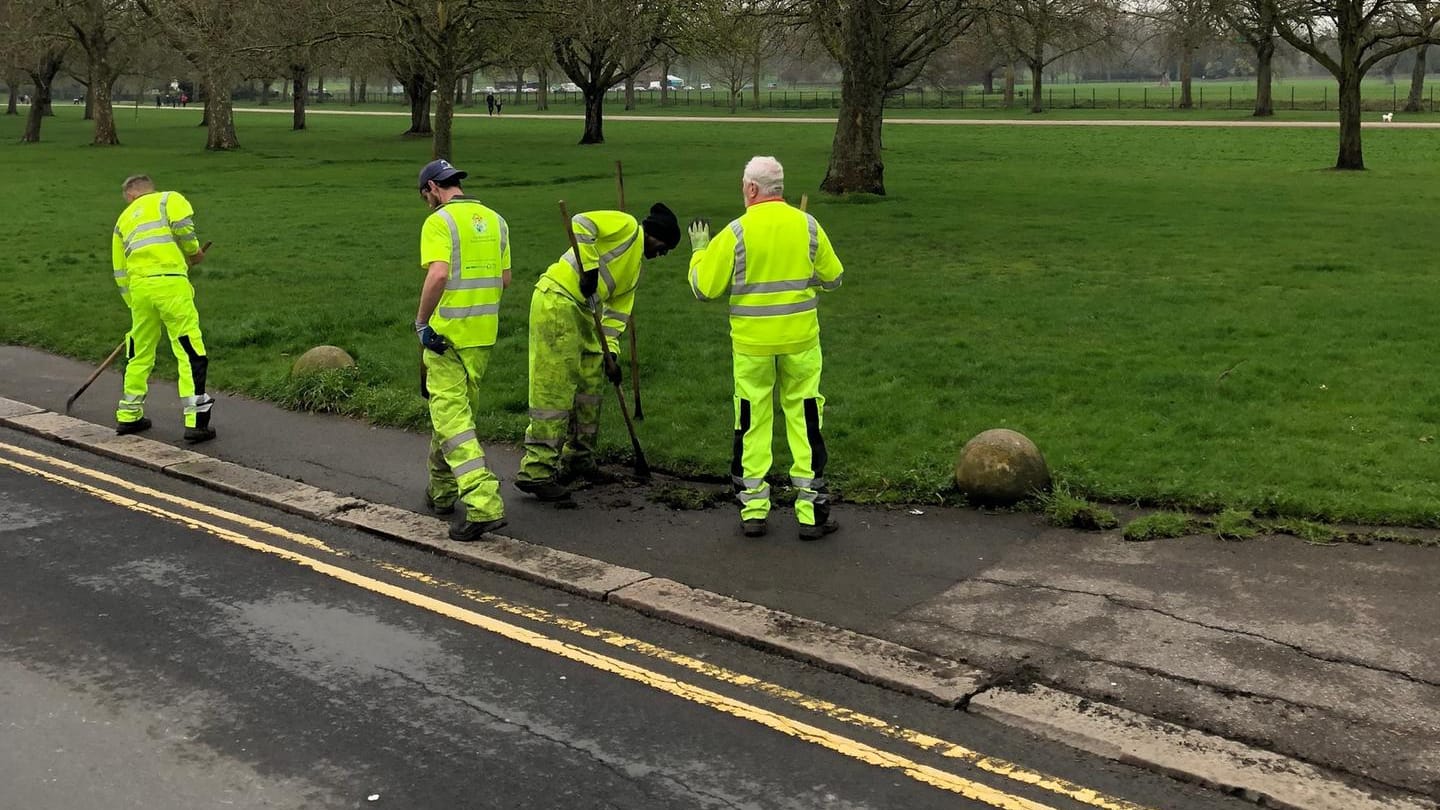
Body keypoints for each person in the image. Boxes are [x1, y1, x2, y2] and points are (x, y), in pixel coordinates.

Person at [687, 156, 844, 540]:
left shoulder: (736, 233)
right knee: (805, 417)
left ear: (752, 189)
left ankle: (754, 509)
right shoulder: (807, 226)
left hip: (752, 346)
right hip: (801, 342)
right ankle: (811, 512)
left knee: (752, 419)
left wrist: (699, 252)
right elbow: (834, 278)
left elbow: (703, 288)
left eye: (743, 185)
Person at [514, 204, 680, 501]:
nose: (663, 254)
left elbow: (616, 316)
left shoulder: (634, 273)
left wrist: (611, 355)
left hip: (584, 312)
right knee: (554, 388)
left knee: (591, 386)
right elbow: (582, 223)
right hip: (557, 300)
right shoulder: (627, 227)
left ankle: (579, 459)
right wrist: (589, 269)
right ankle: (537, 471)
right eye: (664, 247)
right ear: (654, 235)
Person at [414, 159, 510, 541]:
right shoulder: (497, 221)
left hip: (446, 338)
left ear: (433, 190)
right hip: (482, 336)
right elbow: (504, 279)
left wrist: (422, 323)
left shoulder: (439, 221)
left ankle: (483, 502)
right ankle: (441, 492)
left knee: (452, 421)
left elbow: (437, 274)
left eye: (426, 197)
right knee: (453, 415)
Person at [110, 175, 215, 443]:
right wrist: (194, 254)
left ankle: (129, 414)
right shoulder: (169, 199)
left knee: (139, 351)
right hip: (170, 285)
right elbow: (183, 228)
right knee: (188, 348)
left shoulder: (122, 220)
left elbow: (119, 269)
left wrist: (133, 303)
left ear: (132, 195)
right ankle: (196, 421)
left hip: (140, 290)